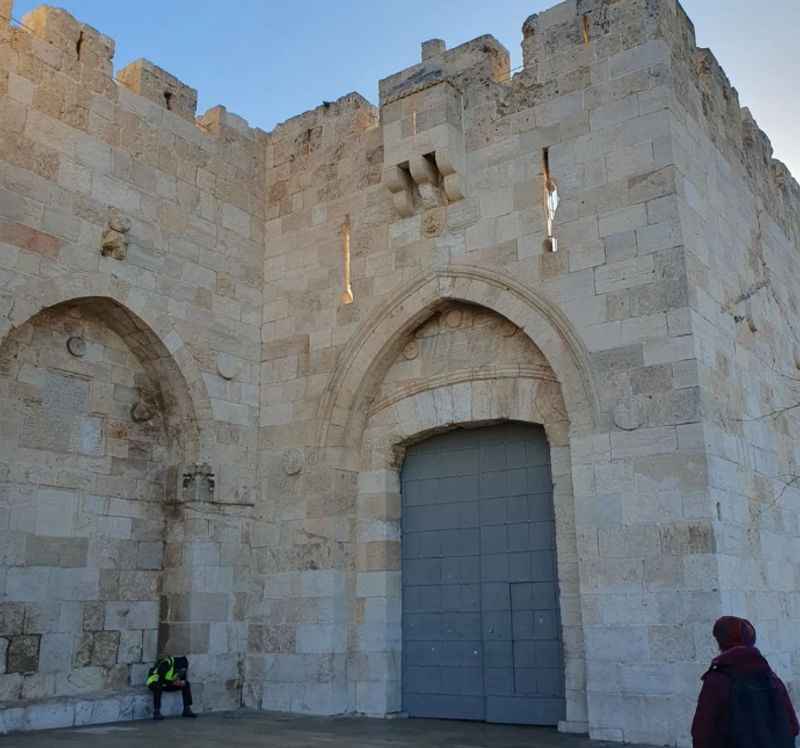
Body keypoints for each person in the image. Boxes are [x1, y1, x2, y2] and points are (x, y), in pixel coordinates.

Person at [691, 616, 798, 747]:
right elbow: (793, 726)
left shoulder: (717, 681)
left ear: (722, 642)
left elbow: (702, 734)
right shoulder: (772, 678)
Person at [146, 655, 197, 720]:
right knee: (158, 687)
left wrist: (181, 682)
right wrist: (173, 683)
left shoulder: (183, 667)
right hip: (154, 681)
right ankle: (157, 712)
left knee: (186, 684)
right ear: (177, 666)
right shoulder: (167, 662)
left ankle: (187, 709)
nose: (180, 672)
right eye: (180, 670)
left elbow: (183, 678)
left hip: (167, 684)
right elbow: (160, 678)